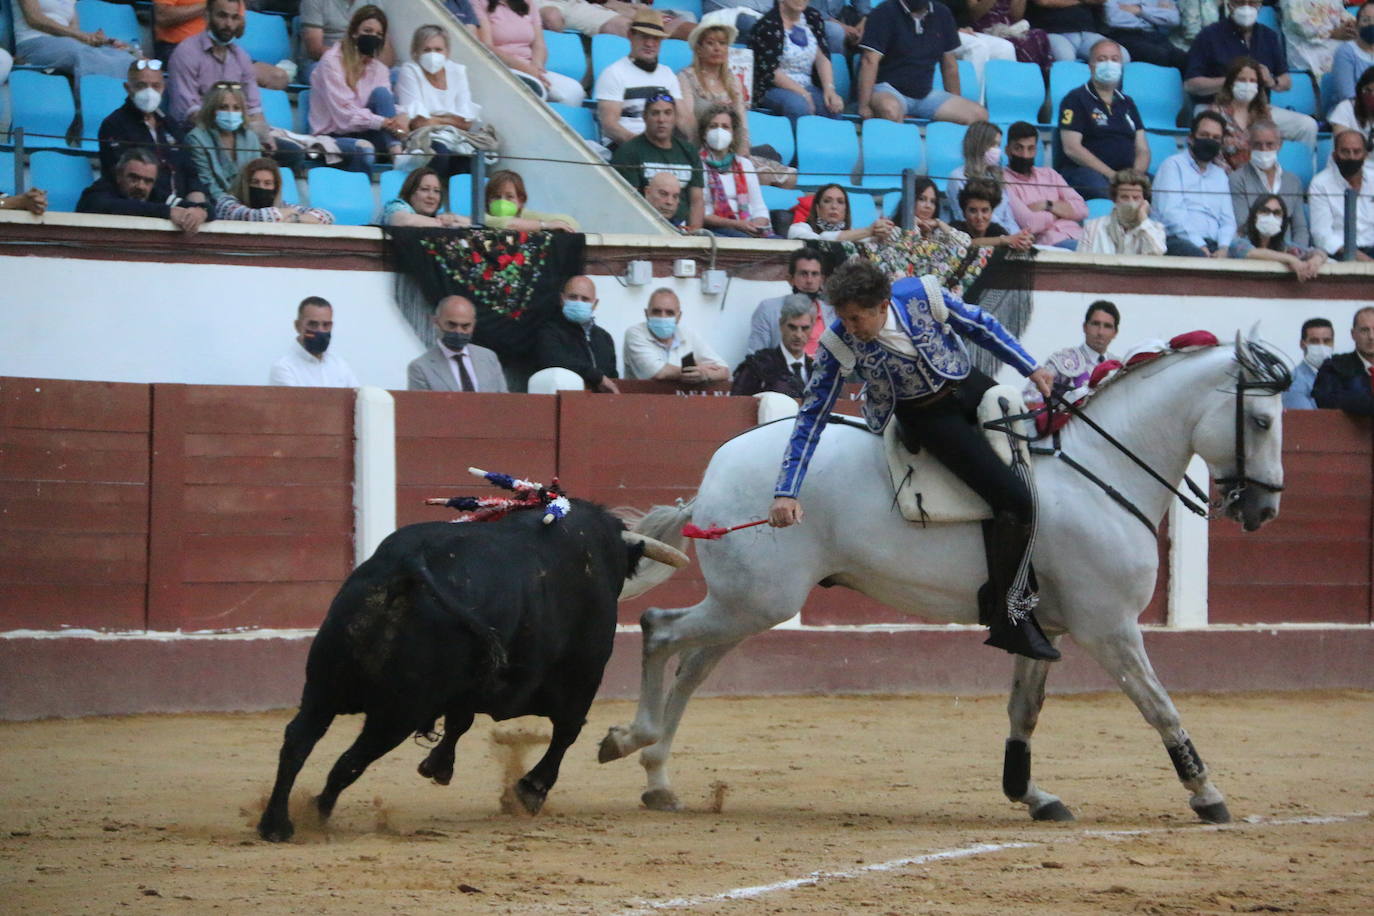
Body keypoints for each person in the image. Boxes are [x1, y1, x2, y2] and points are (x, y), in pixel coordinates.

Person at [768, 258, 1060, 660]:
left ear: (883, 304)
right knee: (1014, 499)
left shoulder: (923, 294)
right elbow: (812, 415)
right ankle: (1010, 615)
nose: (850, 328)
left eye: (857, 319)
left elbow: (980, 326)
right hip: (926, 416)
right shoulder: (839, 342)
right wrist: (787, 490)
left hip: (966, 383)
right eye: (845, 319)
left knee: (1035, 457)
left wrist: (1031, 367)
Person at [1184, 0, 1319, 147]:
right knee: (1208, 127)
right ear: (1230, 5)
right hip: (1215, 106)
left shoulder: (1269, 37)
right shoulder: (1209, 35)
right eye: (1240, 2)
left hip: (1258, 109)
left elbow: (1286, 81)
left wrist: (1271, 81)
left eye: (1252, 2)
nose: (1247, 7)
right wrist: (1231, 81)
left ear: (1260, 5)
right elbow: (1191, 84)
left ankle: (1297, 168)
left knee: (1307, 126)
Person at [308, 5, 408, 172]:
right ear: (354, 32)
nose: (372, 37)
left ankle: (398, 155)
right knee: (365, 149)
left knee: (382, 95)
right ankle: (398, 157)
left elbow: (386, 106)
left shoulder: (379, 69)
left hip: (367, 131)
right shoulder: (331, 62)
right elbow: (344, 116)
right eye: (367, 31)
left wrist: (401, 116)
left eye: (378, 34)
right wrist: (384, 122)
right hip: (333, 135)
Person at [857, 0, 989, 125]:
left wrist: (956, 105)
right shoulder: (884, 11)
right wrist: (864, 105)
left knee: (978, 115)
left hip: (924, 94)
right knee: (890, 109)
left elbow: (950, 67)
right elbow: (869, 61)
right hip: (888, 89)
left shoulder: (942, 13)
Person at [98, 60, 208, 209]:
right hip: (143, 209)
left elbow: (190, 172)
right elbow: (126, 180)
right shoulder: (114, 125)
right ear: (128, 88)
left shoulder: (171, 124)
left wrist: (197, 205)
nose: (149, 92)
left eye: (156, 86)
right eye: (141, 85)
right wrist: (177, 206)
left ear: (164, 88)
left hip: (181, 212)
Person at [167, 0, 274, 150]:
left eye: (234, 17)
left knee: (291, 154)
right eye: (222, 16)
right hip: (197, 133)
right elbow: (189, 113)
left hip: (237, 134)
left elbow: (254, 109)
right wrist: (229, 137)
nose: (229, 24)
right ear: (207, 16)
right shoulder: (186, 53)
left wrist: (263, 139)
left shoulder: (242, 57)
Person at [1057, 38, 1151, 199]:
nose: (1109, 64)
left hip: (1125, 174)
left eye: (1115, 59)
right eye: (1102, 59)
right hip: (1087, 172)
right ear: (1090, 66)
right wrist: (1112, 176)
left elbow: (1142, 148)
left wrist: (1134, 177)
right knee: (1104, 191)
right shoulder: (1075, 99)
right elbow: (1072, 148)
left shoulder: (1127, 102)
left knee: (1157, 189)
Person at [395, 23, 484, 180]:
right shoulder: (410, 70)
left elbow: (467, 123)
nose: (433, 55)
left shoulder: (457, 71)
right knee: (440, 152)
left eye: (438, 49)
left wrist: (434, 119)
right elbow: (417, 123)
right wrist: (450, 120)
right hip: (422, 139)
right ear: (415, 52)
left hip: (455, 138)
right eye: (426, 50)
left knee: (468, 158)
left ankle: (460, 203)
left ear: (447, 52)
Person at [610, 92, 704, 231]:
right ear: (645, 117)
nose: (661, 119)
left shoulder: (689, 151)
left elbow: (697, 201)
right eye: (655, 113)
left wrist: (695, 232)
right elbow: (629, 202)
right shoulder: (629, 151)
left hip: (685, 231)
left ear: (675, 118)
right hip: (645, 229)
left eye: (667, 113)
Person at [594, 9, 690, 146]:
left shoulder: (667, 73)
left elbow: (684, 118)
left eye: (655, 38)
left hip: (662, 147)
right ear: (630, 36)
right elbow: (610, 126)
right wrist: (645, 148)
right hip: (626, 148)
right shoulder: (613, 73)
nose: (650, 44)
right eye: (644, 36)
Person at [1153, 110, 1236, 256]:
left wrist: (1223, 248)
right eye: (1204, 135)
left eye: (1216, 138)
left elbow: (1228, 220)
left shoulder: (1220, 175)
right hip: (1177, 240)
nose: (1210, 141)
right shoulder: (1173, 166)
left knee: (1245, 253)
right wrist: (1200, 245)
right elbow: (1171, 215)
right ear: (1191, 138)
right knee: (1197, 257)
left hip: (1215, 244)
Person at [748, 0, 844, 123]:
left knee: (832, 107)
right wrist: (804, 94)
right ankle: (796, 141)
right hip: (773, 86)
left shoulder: (812, 17)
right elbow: (770, 71)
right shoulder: (767, 25)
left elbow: (822, 57)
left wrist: (829, 89)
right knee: (798, 106)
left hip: (807, 84)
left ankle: (831, 142)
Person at [77, 147, 208, 234]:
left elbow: (208, 210)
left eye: (148, 181)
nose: (141, 186)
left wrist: (201, 212)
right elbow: (113, 206)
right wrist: (167, 212)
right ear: (118, 175)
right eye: (134, 178)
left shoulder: (155, 194)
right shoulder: (99, 190)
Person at [1001, 120, 1088, 249]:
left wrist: (1046, 205)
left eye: (1030, 149)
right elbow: (1030, 223)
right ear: (1008, 150)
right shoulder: (1002, 180)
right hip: (1051, 243)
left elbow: (1082, 209)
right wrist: (1061, 212)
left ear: (1036, 150)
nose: (1025, 155)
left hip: (1080, 237)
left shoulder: (1050, 174)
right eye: (1018, 148)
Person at [481, 0, 586, 105]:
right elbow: (486, 46)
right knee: (536, 88)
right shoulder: (478, 2)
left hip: (530, 67)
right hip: (499, 66)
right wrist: (528, 71)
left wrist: (537, 67)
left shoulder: (528, 3)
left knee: (574, 91)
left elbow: (539, 44)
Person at [1228, 119, 1312, 249]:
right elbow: (1242, 225)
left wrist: (1297, 252)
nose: (1264, 149)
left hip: (1288, 254)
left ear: (1280, 145)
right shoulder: (1237, 179)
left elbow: (1300, 228)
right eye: (1258, 145)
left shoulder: (1293, 181)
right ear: (1249, 145)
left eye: (1269, 144)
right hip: (1254, 254)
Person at [531, 275, 619, 392]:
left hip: (600, 405)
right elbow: (555, 360)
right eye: (573, 297)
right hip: (563, 403)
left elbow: (612, 377)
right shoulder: (548, 331)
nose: (578, 302)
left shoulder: (604, 338)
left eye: (585, 299)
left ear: (595, 304)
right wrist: (596, 376)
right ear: (562, 299)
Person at [622, 288, 729, 382]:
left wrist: (705, 374)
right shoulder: (635, 333)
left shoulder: (688, 334)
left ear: (679, 316)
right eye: (656, 311)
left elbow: (724, 371)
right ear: (646, 313)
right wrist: (694, 371)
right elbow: (658, 372)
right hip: (641, 401)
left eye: (669, 313)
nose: (662, 317)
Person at [11, 0, 137, 81]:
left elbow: (74, 29)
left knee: (124, 57)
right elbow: (34, 19)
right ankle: (89, 113)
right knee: (83, 54)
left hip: (65, 43)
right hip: (34, 41)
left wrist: (94, 40)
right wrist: (82, 36)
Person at [697, 104, 773, 238]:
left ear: (733, 133)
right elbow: (700, 213)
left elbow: (759, 207)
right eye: (713, 126)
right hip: (718, 229)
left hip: (748, 226)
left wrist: (757, 224)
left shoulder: (744, 165)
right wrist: (737, 224)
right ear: (704, 133)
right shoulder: (698, 164)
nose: (719, 132)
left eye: (725, 127)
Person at [407, 295, 509, 392]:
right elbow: (421, 408)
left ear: (473, 324)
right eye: (452, 325)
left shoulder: (488, 358)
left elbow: (503, 401)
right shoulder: (421, 368)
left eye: (465, 326)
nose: (458, 331)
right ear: (436, 322)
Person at [185, 81, 265, 199]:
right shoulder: (196, 138)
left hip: (249, 203)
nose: (230, 113)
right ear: (211, 109)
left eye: (236, 108)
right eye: (223, 107)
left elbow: (257, 176)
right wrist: (232, 206)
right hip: (215, 203)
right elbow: (207, 183)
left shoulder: (250, 137)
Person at [731, 295, 817, 398]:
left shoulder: (816, 370)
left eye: (805, 328)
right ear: (781, 325)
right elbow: (737, 407)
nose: (798, 335)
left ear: (812, 328)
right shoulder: (757, 366)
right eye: (792, 327)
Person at [747, 247, 832, 352]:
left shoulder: (832, 313)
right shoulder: (768, 310)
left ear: (821, 280)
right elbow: (755, 357)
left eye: (814, 274)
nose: (809, 281)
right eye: (803, 274)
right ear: (791, 279)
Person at [1227, 193, 1328, 279]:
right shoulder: (1238, 242)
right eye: (1265, 211)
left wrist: (1316, 259)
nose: (1271, 217)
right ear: (1254, 216)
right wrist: (1291, 259)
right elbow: (1251, 253)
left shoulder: (1285, 247)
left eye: (1276, 213)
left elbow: (1319, 252)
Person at [1308, 129, 1374, 259]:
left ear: (1365, 155)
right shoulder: (1320, 184)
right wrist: (1366, 261)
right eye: (1345, 151)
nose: (1351, 157)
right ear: (1334, 155)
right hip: (1340, 253)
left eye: (1356, 152)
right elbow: (1322, 235)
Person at [947, 121, 1021, 234]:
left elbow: (1008, 217)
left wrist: (1019, 236)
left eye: (998, 145)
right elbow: (963, 217)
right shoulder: (957, 177)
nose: (997, 150)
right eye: (993, 144)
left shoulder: (996, 176)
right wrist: (1006, 238)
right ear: (979, 145)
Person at [269, 296, 361, 387]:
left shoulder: (340, 365)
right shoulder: (284, 369)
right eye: (313, 324)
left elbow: (358, 399)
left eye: (326, 325)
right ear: (297, 326)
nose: (320, 330)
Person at [299, 0, 404, 78]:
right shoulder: (314, 2)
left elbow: (388, 58)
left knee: (398, 74)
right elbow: (315, 50)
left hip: (365, 63)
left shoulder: (373, 2)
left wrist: (372, 66)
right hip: (325, 62)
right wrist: (354, 61)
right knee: (327, 73)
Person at [213, 156, 335, 222]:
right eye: (255, 182)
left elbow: (326, 216)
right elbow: (253, 216)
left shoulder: (281, 205)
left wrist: (296, 219)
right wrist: (287, 214)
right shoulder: (226, 202)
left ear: (275, 187)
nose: (261, 187)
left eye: (268, 183)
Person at [1036, 300, 1122, 393]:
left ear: (1115, 333)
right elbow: (1032, 397)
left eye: (1107, 326)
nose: (1100, 332)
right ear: (1085, 327)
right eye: (1095, 324)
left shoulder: (1120, 366)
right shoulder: (1062, 360)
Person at [1206, 57, 1273, 172]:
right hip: (1222, 176)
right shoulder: (1216, 113)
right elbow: (1213, 153)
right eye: (1242, 80)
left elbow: (1268, 150)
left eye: (1252, 81)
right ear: (1231, 83)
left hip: (1254, 179)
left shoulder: (1264, 116)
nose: (1247, 85)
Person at [1078, 167, 1167, 253]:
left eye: (1136, 198)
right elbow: (1081, 264)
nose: (1130, 202)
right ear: (1114, 199)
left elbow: (1158, 252)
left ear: (1144, 200)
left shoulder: (1156, 229)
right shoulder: (1092, 227)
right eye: (1125, 197)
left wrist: (1143, 220)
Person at [1312, 305, 1374, 414]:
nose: (1371, 336)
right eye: (1364, 330)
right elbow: (1325, 399)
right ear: (1353, 334)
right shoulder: (1334, 366)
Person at [787, 182, 897, 241]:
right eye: (827, 201)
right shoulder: (798, 229)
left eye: (840, 202)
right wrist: (869, 231)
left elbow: (869, 240)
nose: (834, 206)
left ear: (846, 210)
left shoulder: (854, 234)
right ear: (817, 209)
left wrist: (881, 236)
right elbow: (823, 240)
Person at [1281, 0, 1357, 80]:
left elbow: (1339, 11)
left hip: (1335, 43)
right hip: (1306, 49)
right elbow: (1295, 23)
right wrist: (1332, 33)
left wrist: (1351, 23)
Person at [483, 169, 578, 231]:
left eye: (509, 197)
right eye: (496, 197)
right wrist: (544, 225)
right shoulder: (480, 218)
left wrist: (548, 224)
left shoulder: (527, 216)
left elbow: (570, 222)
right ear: (488, 200)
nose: (502, 202)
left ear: (520, 200)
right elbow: (506, 223)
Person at [1103, 0, 1188, 70]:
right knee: (1160, 55)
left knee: (1186, 59)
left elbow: (1174, 19)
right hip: (1124, 34)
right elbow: (1113, 19)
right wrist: (1155, 15)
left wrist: (1140, 10)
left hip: (1154, 34)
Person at [972, 0, 1055, 71]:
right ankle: (1022, 79)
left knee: (1038, 35)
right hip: (983, 29)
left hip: (1007, 28)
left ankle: (1041, 80)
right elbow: (972, 14)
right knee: (1020, 44)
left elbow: (1016, 16)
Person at [951, 180, 1035, 249]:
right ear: (964, 213)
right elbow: (966, 243)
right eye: (973, 211)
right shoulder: (954, 229)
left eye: (985, 210)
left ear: (992, 212)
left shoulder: (996, 229)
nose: (979, 217)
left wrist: (1022, 241)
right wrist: (1004, 240)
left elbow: (1012, 242)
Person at [1027, 0, 1116, 63]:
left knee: (1121, 56)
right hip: (1053, 32)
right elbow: (1044, 2)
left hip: (1087, 32)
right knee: (1065, 58)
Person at [381, 166, 471, 227]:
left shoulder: (437, 216)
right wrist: (445, 224)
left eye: (436, 191)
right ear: (410, 191)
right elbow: (403, 220)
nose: (431, 196)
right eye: (424, 189)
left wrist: (454, 218)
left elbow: (473, 224)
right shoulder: (396, 205)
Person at [1283, 316, 1335, 409]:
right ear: (1302, 344)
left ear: (1333, 343)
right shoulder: (1294, 382)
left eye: (1326, 341)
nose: (1321, 346)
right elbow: (1308, 420)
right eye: (1314, 341)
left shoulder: (1341, 375)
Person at [1330, 4, 1374, 108]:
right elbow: (1347, 96)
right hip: (1353, 113)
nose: (1372, 24)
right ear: (1357, 25)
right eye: (1366, 20)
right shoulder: (1345, 52)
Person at [1328, 65, 1374, 148]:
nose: (1372, 95)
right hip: (1350, 160)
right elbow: (1344, 147)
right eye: (1368, 90)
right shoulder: (1345, 108)